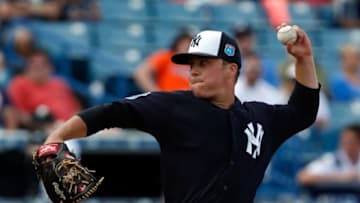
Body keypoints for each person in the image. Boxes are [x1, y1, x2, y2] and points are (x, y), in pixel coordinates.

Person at [36, 24, 320, 202]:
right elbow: (110, 112)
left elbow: (303, 111)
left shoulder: (260, 118)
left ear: (231, 69)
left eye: (203, 62)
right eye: (191, 63)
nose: (193, 69)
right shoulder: (173, 106)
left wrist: (304, 59)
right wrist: (56, 137)